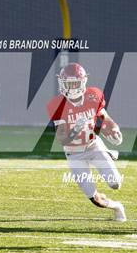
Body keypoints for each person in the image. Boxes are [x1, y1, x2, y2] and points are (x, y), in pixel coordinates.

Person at [46, 63, 126, 221]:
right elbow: (62, 139)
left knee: (115, 183)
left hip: (93, 146)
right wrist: (76, 129)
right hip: (74, 153)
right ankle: (117, 206)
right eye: (67, 83)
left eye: (74, 83)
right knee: (94, 199)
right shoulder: (56, 104)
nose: (71, 87)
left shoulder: (93, 95)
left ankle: (107, 155)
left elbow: (104, 116)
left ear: (82, 82)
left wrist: (113, 127)